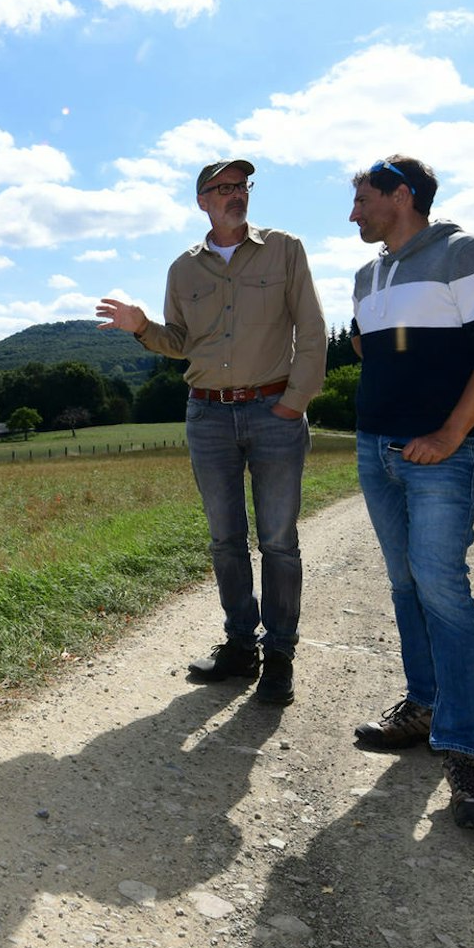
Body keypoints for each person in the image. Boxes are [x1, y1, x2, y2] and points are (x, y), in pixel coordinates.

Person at [96, 158, 326, 706]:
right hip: (208, 416)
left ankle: (281, 656)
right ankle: (241, 646)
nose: (234, 195)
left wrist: (294, 403)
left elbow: (313, 330)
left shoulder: (285, 249)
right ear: (202, 201)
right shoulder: (183, 269)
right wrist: (143, 328)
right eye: (221, 188)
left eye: (240, 186)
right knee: (226, 541)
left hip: (275, 411)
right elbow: (180, 342)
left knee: (278, 541)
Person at [345, 156, 474, 833]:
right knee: (405, 583)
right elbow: (371, 346)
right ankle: (422, 705)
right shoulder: (369, 273)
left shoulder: (464, 250)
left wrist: (452, 431)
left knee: (444, 590)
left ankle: (467, 753)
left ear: (401, 194)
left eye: (362, 199)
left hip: (440, 455)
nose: (353, 213)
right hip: (375, 449)